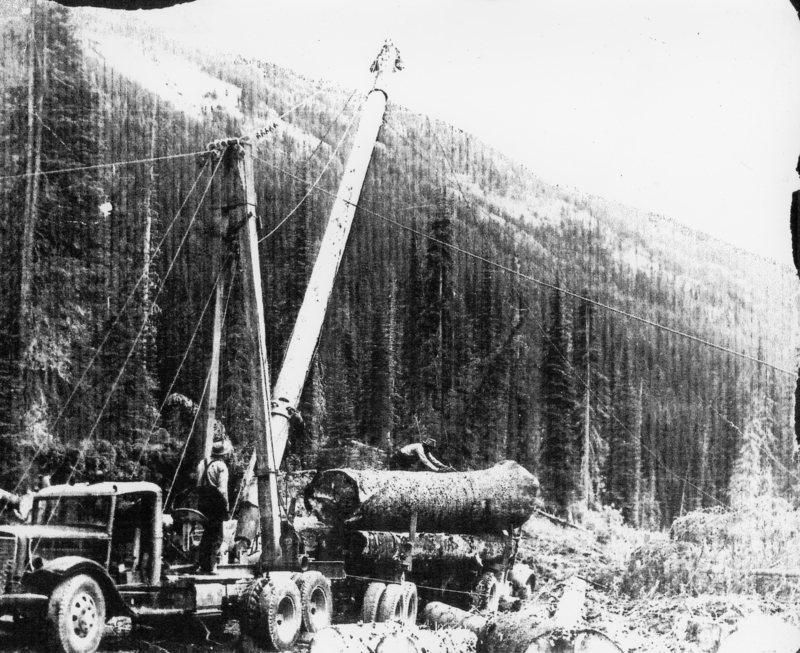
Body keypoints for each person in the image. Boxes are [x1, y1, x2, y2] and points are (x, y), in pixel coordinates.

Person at [194, 441, 229, 573]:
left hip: (202, 501)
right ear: (223, 455)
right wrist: (225, 508)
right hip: (215, 501)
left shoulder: (201, 463)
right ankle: (212, 566)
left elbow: (197, 484)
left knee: (207, 533)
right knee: (216, 535)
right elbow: (222, 490)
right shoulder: (221, 466)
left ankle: (202, 565)